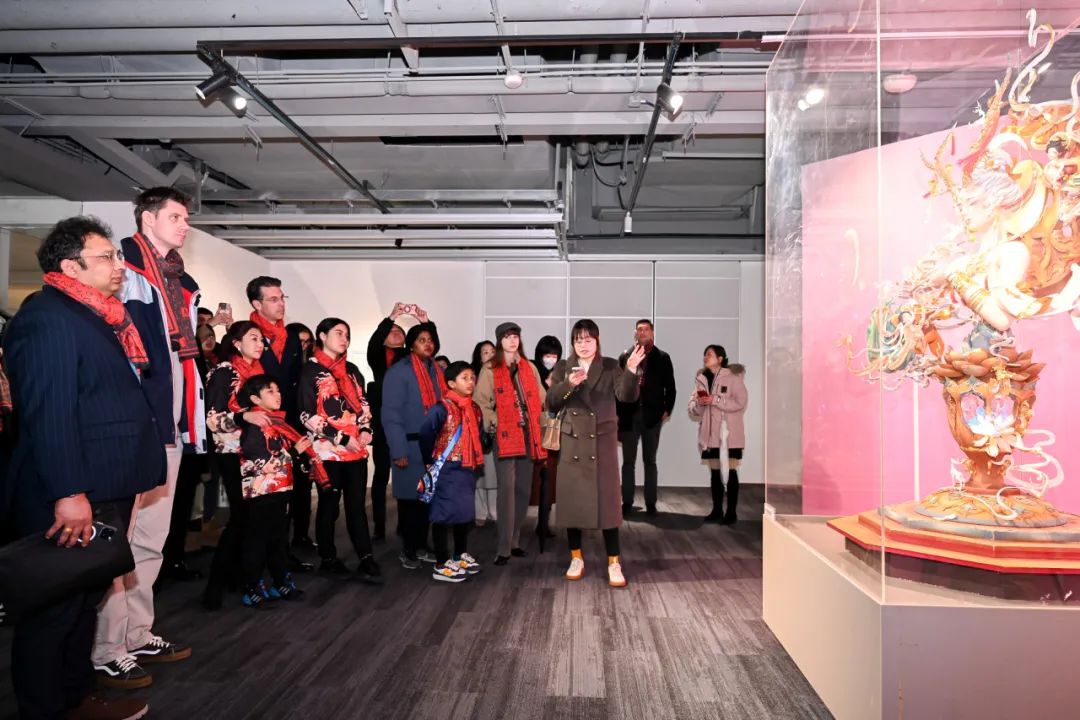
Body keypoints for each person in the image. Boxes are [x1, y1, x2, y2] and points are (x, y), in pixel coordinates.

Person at [5, 216, 164, 720]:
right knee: (53, 611)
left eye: (117, 256)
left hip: (104, 480)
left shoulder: (95, 314)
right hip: (75, 488)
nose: (119, 265)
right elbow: (48, 413)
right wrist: (69, 491)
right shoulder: (48, 317)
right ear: (70, 266)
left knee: (83, 599)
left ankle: (75, 699)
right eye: (107, 257)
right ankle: (44, 710)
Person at [94, 187, 201, 689]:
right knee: (120, 542)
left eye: (185, 217)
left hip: (169, 424)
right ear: (147, 219)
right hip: (138, 425)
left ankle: (138, 633)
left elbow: (181, 361)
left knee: (151, 540)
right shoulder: (125, 271)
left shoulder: (179, 280)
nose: (184, 225)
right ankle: (107, 648)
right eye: (175, 216)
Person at [546, 319, 643, 588]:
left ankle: (614, 561)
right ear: (573, 343)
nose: (584, 345)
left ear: (597, 341)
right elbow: (551, 402)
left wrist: (631, 370)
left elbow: (627, 396)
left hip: (602, 442)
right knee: (573, 503)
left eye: (588, 340)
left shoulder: (610, 366)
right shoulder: (563, 367)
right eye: (578, 340)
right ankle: (576, 557)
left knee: (608, 505)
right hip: (573, 442)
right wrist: (568, 384)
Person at [299, 317, 382, 583]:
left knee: (357, 506)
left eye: (347, 334)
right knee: (328, 506)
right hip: (327, 450)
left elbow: (364, 405)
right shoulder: (311, 371)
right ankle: (328, 558)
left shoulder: (352, 370)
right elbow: (306, 414)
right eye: (338, 333)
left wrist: (366, 429)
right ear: (322, 336)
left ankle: (366, 556)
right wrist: (341, 438)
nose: (344, 338)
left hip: (355, 450)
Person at [244, 276, 314, 566]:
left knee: (289, 491)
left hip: (288, 422)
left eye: (282, 297)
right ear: (256, 304)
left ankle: (282, 556)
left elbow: (294, 381)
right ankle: (257, 564)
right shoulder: (248, 336)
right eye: (273, 299)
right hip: (258, 425)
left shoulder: (291, 338)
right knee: (264, 497)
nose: (280, 303)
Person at [236, 374, 319, 607]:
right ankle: (252, 587)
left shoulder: (277, 422)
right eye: (270, 391)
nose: (278, 394)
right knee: (258, 541)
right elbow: (262, 461)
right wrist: (295, 452)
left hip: (280, 489)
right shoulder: (256, 425)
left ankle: (280, 581)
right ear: (255, 399)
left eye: (278, 390)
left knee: (278, 539)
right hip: (261, 492)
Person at [201, 321, 267, 609]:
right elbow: (212, 419)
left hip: (256, 452)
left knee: (252, 520)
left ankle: (239, 577)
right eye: (253, 338)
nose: (260, 343)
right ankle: (214, 587)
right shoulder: (224, 371)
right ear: (236, 344)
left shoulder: (258, 372)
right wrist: (243, 417)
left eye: (262, 339)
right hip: (232, 453)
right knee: (240, 519)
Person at [475, 322, 547, 565]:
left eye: (515, 336)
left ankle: (515, 540)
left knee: (523, 490)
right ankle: (503, 547)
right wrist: (496, 422)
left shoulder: (529, 367)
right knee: (506, 490)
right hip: (504, 436)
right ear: (499, 341)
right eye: (507, 337)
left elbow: (542, 397)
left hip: (528, 435)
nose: (512, 340)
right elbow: (481, 403)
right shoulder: (490, 368)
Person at [366, 302, 432, 542]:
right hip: (385, 426)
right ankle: (379, 525)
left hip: (409, 427)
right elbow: (374, 342)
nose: (395, 332)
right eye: (391, 330)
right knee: (381, 475)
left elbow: (430, 345)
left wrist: (425, 323)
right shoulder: (378, 358)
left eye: (399, 331)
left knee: (409, 478)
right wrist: (392, 317)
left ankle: (406, 527)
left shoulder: (412, 359)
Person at [381, 321, 443, 569]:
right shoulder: (399, 372)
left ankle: (421, 545)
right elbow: (391, 414)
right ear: (411, 345)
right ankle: (408, 549)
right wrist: (398, 450)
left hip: (434, 445)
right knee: (409, 501)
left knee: (428, 499)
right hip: (409, 445)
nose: (428, 344)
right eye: (421, 340)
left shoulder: (437, 370)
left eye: (430, 340)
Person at [418, 361, 484, 583]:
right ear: (451, 383)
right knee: (443, 514)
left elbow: (479, 435)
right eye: (465, 378)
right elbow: (425, 435)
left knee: (463, 513)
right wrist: (428, 462)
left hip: (467, 466)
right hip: (446, 468)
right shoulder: (441, 408)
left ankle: (458, 555)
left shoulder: (475, 408)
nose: (470, 382)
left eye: (472, 377)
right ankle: (440, 563)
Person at [617, 319, 676, 516]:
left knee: (650, 461)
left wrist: (667, 409)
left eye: (646, 329)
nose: (642, 332)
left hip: (652, 416)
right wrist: (617, 414)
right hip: (629, 415)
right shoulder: (625, 356)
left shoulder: (663, 357)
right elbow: (617, 389)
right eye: (639, 329)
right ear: (635, 333)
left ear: (652, 333)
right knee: (628, 462)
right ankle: (627, 502)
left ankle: (651, 503)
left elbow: (671, 387)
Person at [689, 345, 748, 524]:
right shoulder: (701, 379)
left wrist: (716, 399)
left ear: (720, 358)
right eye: (704, 354)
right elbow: (693, 408)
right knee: (715, 472)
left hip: (729, 434)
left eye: (709, 354)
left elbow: (741, 402)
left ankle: (731, 512)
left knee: (731, 470)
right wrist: (700, 404)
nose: (705, 357)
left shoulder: (733, 378)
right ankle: (716, 510)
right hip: (709, 435)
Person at [532, 335, 563, 539]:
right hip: (535, 431)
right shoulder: (532, 372)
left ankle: (543, 523)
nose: (550, 359)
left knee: (549, 479)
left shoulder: (561, 374)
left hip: (554, 432)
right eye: (547, 355)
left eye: (554, 355)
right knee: (535, 480)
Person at [469, 340, 497, 526]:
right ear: (479, 357)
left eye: (492, 351)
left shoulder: (503, 374)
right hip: (477, 431)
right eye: (485, 352)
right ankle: (480, 512)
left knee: (495, 475)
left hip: (496, 430)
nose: (490, 355)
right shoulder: (471, 377)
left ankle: (495, 511)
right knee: (479, 475)